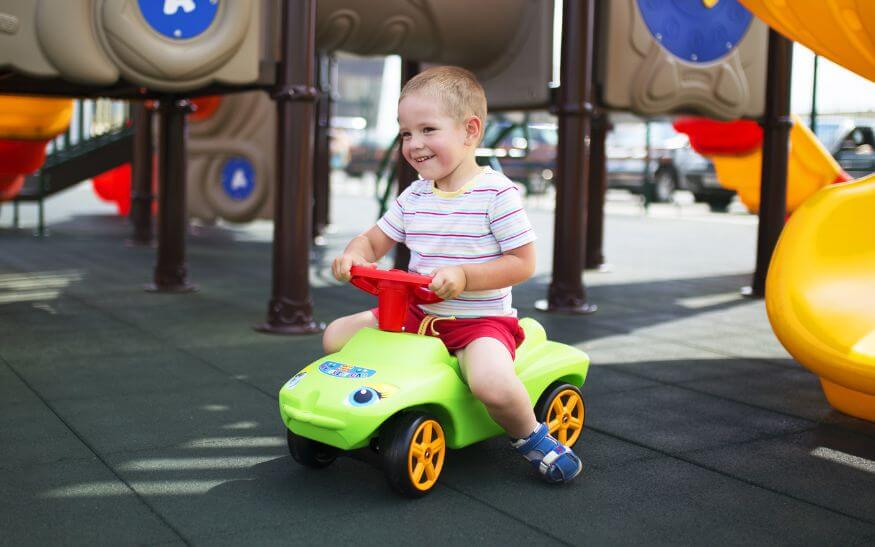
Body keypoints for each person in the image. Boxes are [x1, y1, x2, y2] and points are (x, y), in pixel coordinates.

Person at [324, 66, 582, 484]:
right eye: (406, 133)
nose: (414, 144)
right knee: (335, 336)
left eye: (428, 129)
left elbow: (523, 262)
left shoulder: (496, 195)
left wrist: (464, 276)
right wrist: (354, 254)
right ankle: (356, 412)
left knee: (491, 382)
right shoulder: (414, 195)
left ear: (470, 131)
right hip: (416, 315)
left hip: (477, 322)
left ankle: (534, 439)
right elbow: (374, 241)